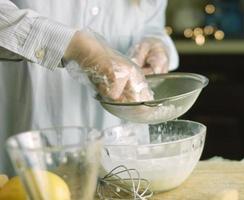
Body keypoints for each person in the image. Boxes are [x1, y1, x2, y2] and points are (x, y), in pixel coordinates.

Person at [0, 0, 178, 174]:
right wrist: (72, 45)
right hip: (29, 145)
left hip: (123, 155)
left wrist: (155, 43)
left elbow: (152, 23)